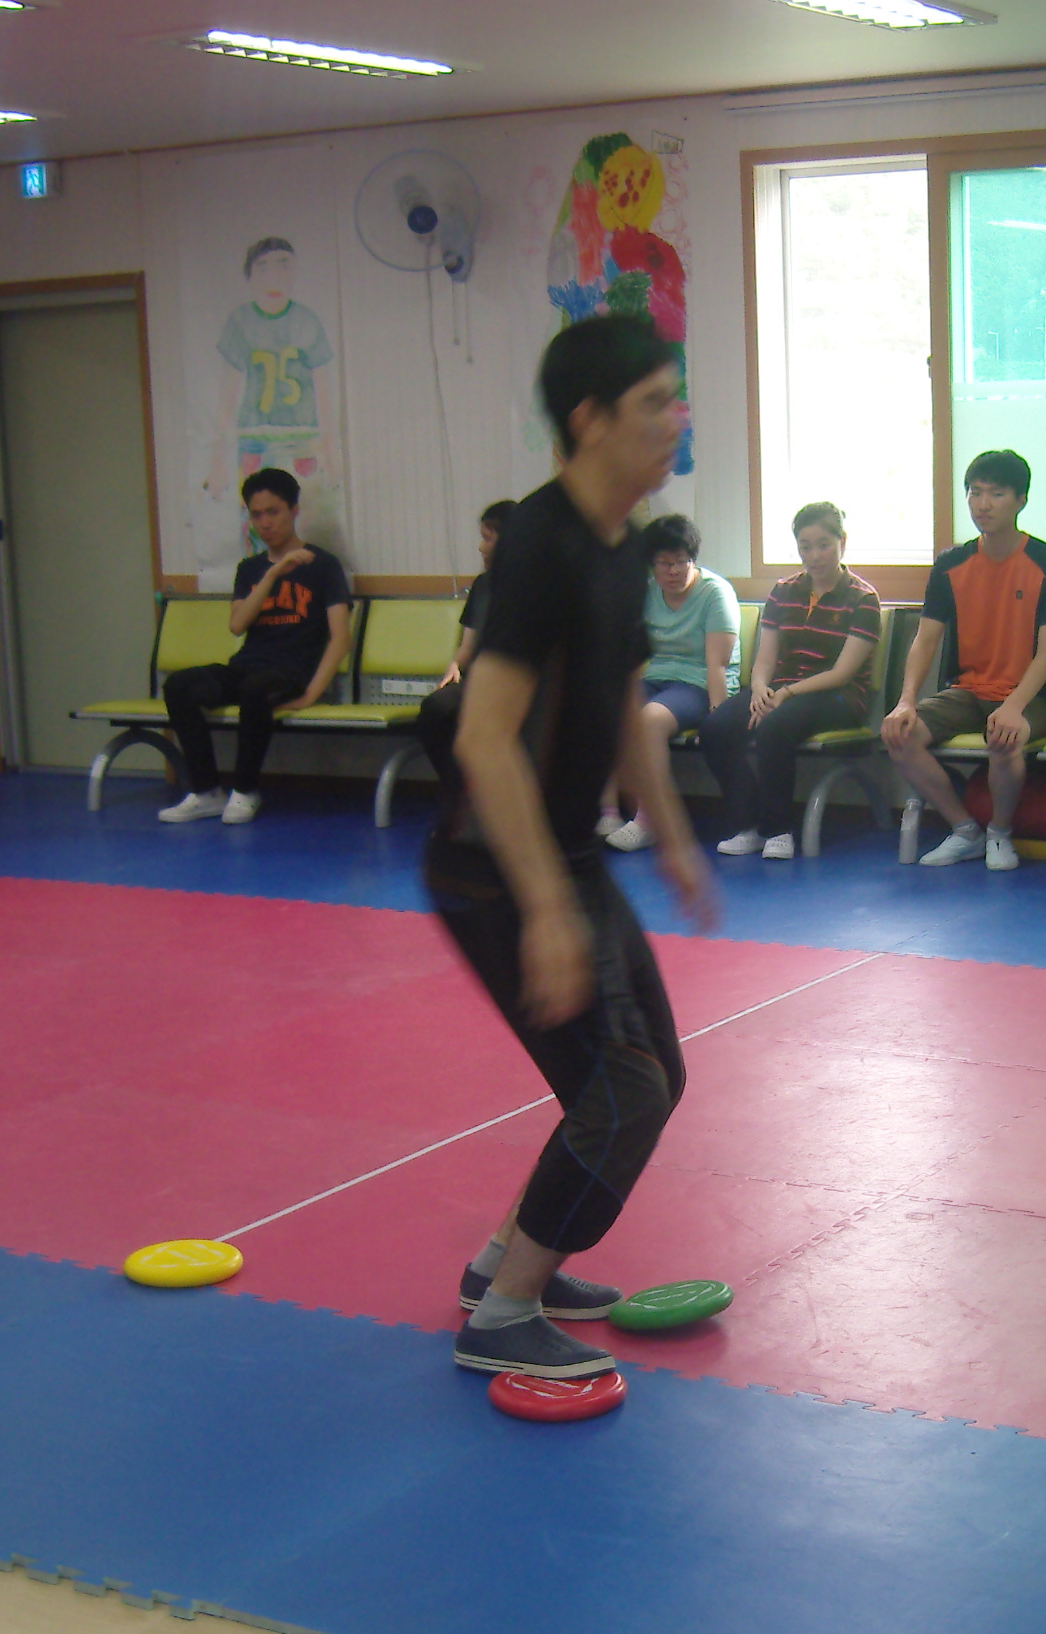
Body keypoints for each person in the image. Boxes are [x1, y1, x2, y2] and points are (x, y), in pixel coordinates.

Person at [433, 314, 716, 1381]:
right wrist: (545, 908)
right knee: (624, 1093)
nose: (676, 419)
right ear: (591, 420)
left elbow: (627, 703)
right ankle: (502, 1318)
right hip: (495, 869)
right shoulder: (542, 545)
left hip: (569, 862)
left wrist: (674, 840)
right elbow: (483, 736)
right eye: (655, 403)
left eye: (676, 398)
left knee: (654, 1076)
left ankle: (504, 1265)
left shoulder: (620, 542)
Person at [879, 450, 1046, 871]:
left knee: (1004, 738)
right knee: (899, 735)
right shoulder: (951, 564)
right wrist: (905, 701)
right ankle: (965, 829)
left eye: (996, 494)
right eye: (975, 492)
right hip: (968, 689)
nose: (983, 504)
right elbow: (925, 639)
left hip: (1032, 695)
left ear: (1020, 500)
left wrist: (1013, 707)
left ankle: (999, 833)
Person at [158, 468, 353, 826]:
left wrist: (311, 694)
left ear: (294, 510)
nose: (265, 523)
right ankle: (206, 791)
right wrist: (273, 574)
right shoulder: (250, 569)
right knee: (179, 685)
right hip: (246, 666)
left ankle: (245, 790)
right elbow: (237, 625)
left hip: (291, 671)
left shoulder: (324, 565)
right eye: (257, 514)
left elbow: (341, 638)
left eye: (273, 512)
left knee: (255, 688)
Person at [700, 501, 882, 860]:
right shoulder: (783, 591)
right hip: (783, 688)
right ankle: (748, 823)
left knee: (775, 726)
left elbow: (842, 673)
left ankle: (778, 829)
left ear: (842, 542)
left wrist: (786, 693)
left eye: (824, 545)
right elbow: (766, 658)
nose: (814, 556)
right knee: (716, 727)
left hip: (839, 696)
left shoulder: (863, 598)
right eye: (805, 546)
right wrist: (760, 689)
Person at [601, 514, 739, 851]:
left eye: (681, 561)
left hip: (699, 683)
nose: (673, 570)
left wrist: (718, 716)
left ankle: (649, 820)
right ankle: (607, 811)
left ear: (693, 559)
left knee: (648, 720)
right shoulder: (647, 592)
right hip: (656, 678)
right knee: (604, 708)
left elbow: (717, 665)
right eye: (664, 563)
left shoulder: (714, 593)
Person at [218, 237, 336, 518]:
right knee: (255, 516)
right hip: (253, 433)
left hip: (302, 433)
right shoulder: (240, 321)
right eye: (263, 268)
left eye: (283, 265)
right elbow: (227, 392)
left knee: (309, 516)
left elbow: (323, 390)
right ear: (250, 276)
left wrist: (331, 454)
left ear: (295, 272)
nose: (274, 276)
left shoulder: (307, 320)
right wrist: (217, 459)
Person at [414, 499, 517, 791]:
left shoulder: (534, 585)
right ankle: (461, 791)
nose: (481, 547)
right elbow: (468, 645)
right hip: (479, 681)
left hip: (515, 683)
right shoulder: (483, 585)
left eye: (488, 538)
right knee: (436, 709)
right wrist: (455, 665)